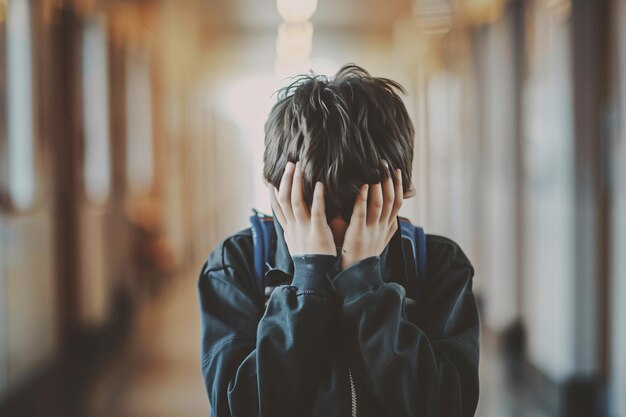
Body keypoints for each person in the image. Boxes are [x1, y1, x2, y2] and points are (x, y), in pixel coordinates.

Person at [197, 64, 480, 417]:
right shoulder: (235, 265)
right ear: (276, 191)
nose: (334, 231)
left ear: (397, 194)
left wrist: (365, 284)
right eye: (312, 208)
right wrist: (308, 281)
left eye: (357, 209)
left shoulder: (439, 265)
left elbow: (445, 408)